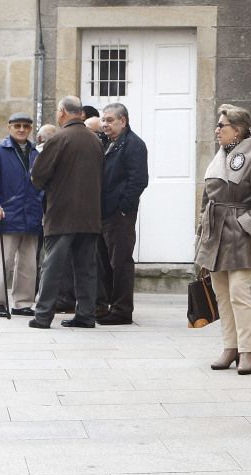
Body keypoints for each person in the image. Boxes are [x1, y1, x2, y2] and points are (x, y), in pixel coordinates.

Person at [197, 103, 251, 375]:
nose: (217, 130)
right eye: (218, 125)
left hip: (240, 234)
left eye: (223, 126)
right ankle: (229, 347)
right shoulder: (218, 156)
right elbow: (206, 198)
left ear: (238, 131)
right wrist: (201, 231)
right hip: (215, 232)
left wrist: (245, 225)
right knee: (221, 294)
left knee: (239, 293)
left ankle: (247, 351)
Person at [28, 96, 104, 329]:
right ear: (79, 113)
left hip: (62, 213)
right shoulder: (95, 140)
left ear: (62, 112)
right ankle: (86, 314)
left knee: (52, 266)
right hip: (90, 214)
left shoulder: (58, 138)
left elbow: (37, 176)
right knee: (86, 268)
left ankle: (43, 316)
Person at [0, 112, 42, 318]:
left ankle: (23, 302)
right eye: (17, 126)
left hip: (31, 215)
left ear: (30, 129)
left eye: (25, 126)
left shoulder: (35, 153)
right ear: (9, 127)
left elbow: (42, 184)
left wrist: (41, 204)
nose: (21, 129)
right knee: (0, 263)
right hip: (4, 215)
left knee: (28, 264)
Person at [95, 102, 149, 326]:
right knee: (104, 262)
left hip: (119, 215)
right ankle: (105, 305)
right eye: (103, 120)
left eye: (109, 120)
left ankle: (122, 310)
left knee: (121, 262)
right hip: (103, 212)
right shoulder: (106, 142)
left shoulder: (133, 144)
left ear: (123, 121)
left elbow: (138, 180)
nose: (105, 124)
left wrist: (124, 207)